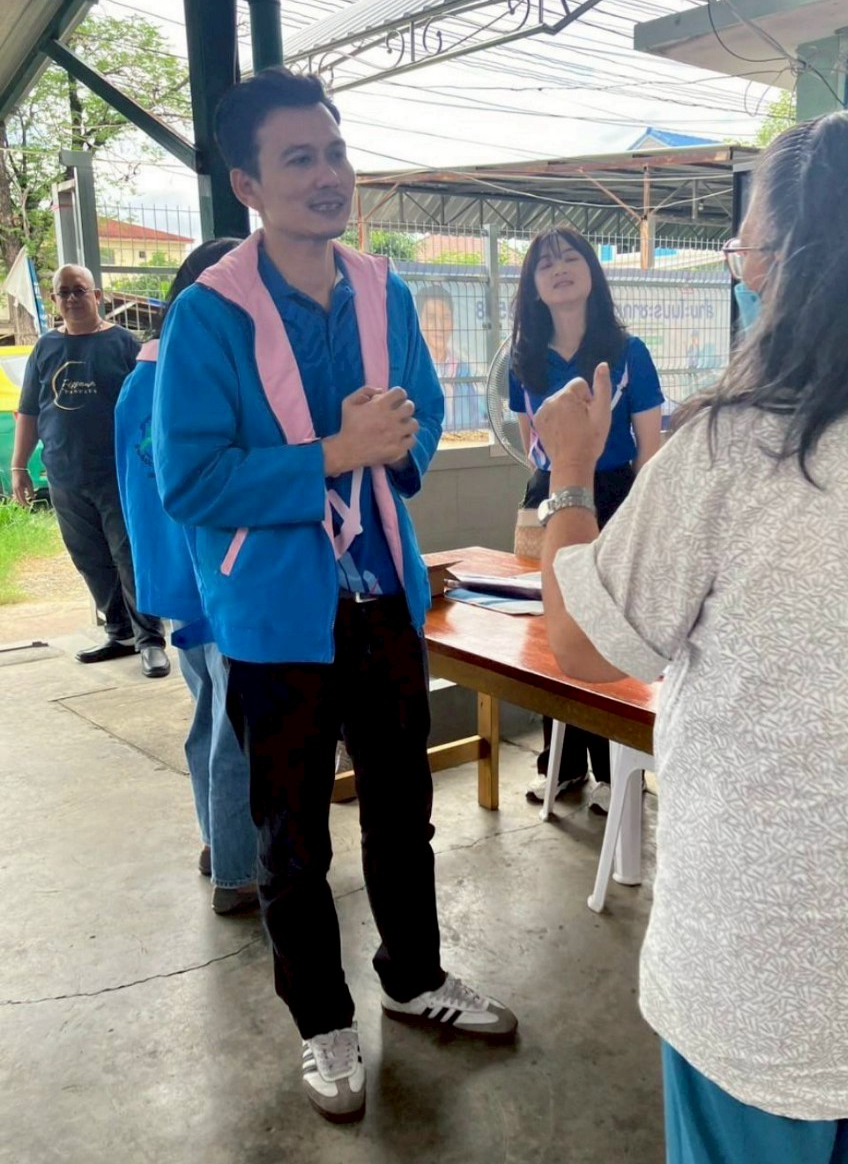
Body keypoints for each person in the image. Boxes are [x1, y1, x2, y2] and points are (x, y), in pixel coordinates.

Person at [534, 107, 848, 1163]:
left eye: (749, 252)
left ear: (786, 265)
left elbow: (583, 644)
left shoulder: (732, 452)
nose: (747, 276)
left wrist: (571, 472)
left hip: (762, 966)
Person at [152, 67, 516, 1125]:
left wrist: (393, 442)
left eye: (337, 152)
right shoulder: (210, 316)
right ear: (248, 185)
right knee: (291, 838)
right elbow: (190, 480)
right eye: (299, 158)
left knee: (404, 812)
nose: (328, 176)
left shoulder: (381, 290)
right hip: (276, 617)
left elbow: (422, 406)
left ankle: (413, 977)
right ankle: (322, 1020)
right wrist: (331, 451)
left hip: (382, 596)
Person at [114, 238, 258, 916]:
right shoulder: (198, 375)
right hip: (216, 577)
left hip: (173, 579)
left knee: (209, 715)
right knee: (238, 728)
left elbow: (134, 490)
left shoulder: (137, 383)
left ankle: (214, 837)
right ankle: (238, 871)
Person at [508, 225, 663, 814]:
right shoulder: (523, 360)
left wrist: (634, 512)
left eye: (570, 257)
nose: (559, 268)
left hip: (616, 495)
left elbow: (650, 446)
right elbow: (533, 445)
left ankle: (617, 775)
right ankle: (563, 765)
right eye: (545, 263)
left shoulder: (629, 352)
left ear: (593, 273)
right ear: (533, 286)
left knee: (605, 633)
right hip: (550, 497)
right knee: (551, 633)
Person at [11, 264, 169, 678]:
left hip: (117, 474)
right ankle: (120, 633)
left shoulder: (124, 345)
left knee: (128, 554)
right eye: (63, 293)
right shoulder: (45, 348)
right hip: (64, 473)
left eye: (79, 290)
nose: (71, 299)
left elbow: (149, 408)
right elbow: (29, 411)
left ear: (96, 296)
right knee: (90, 558)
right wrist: (18, 466)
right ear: (54, 300)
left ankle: (151, 640)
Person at [417, 283, 484, 432]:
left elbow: (475, 418)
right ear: (420, 322)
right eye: (431, 317)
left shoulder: (463, 370)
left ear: (453, 322)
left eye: (445, 317)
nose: (439, 325)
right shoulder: (416, 369)